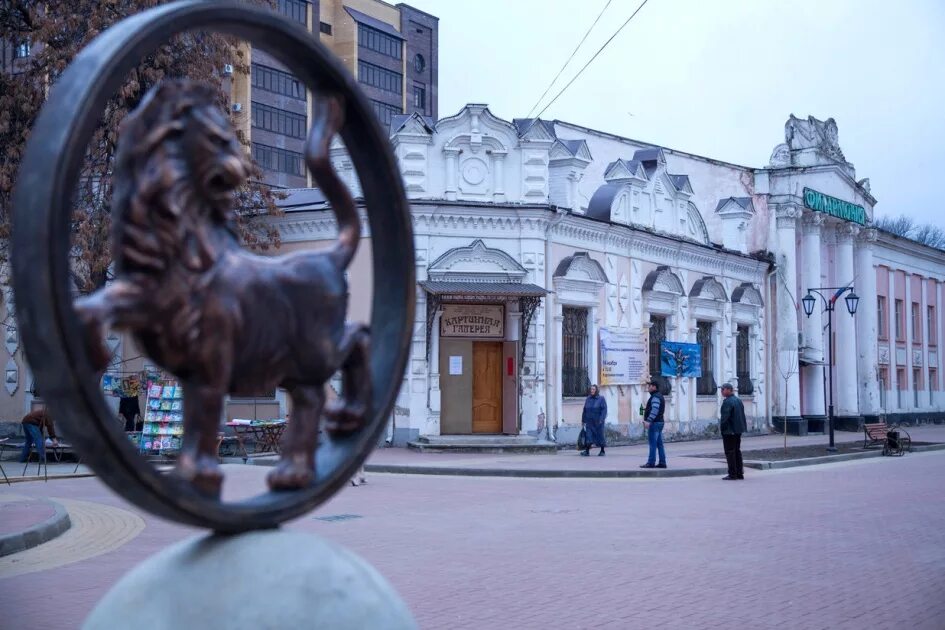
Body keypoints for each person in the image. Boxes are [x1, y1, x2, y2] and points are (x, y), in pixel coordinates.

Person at [719, 383, 747, 480]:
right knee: (737, 451)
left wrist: (722, 429)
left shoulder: (728, 402)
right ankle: (740, 473)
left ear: (729, 390)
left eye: (723, 389)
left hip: (729, 431)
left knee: (730, 452)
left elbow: (725, 418)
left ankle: (732, 474)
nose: (721, 391)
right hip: (738, 430)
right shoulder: (738, 400)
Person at [640, 381, 667, 468]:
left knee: (653, 444)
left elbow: (655, 410)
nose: (648, 388)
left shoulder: (655, 397)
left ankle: (651, 462)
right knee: (659, 444)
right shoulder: (659, 396)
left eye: (650, 386)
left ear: (654, 387)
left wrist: (648, 420)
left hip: (655, 423)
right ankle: (662, 462)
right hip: (659, 422)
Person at [580, 384, 607, 456]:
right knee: (588, 436)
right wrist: (583, 420)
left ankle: (602, 450)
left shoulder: (601, 399)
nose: (592, 391)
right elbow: (585, 410)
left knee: (600, 435)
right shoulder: (588, 399)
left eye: (593, 389)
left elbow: (604, 410)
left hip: (598, 422)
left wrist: (601, 419)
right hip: (589, 421)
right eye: (591, 389)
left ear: (596, 390)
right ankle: (587, 451)